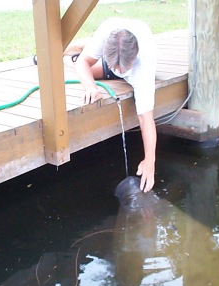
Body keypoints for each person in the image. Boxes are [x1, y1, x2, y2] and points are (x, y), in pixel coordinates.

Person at [66, 17, 157, 193]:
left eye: (122, 70)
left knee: (91, 63)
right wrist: (90, 88)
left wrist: (150, 160)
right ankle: (67, 50)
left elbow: (146, 119)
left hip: (135, 52)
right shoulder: (106, 34)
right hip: (110, 44)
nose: (119, 72)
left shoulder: (144, 66)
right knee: (80, 62)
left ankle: (84, 49)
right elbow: (83, 64)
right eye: (115, 68)